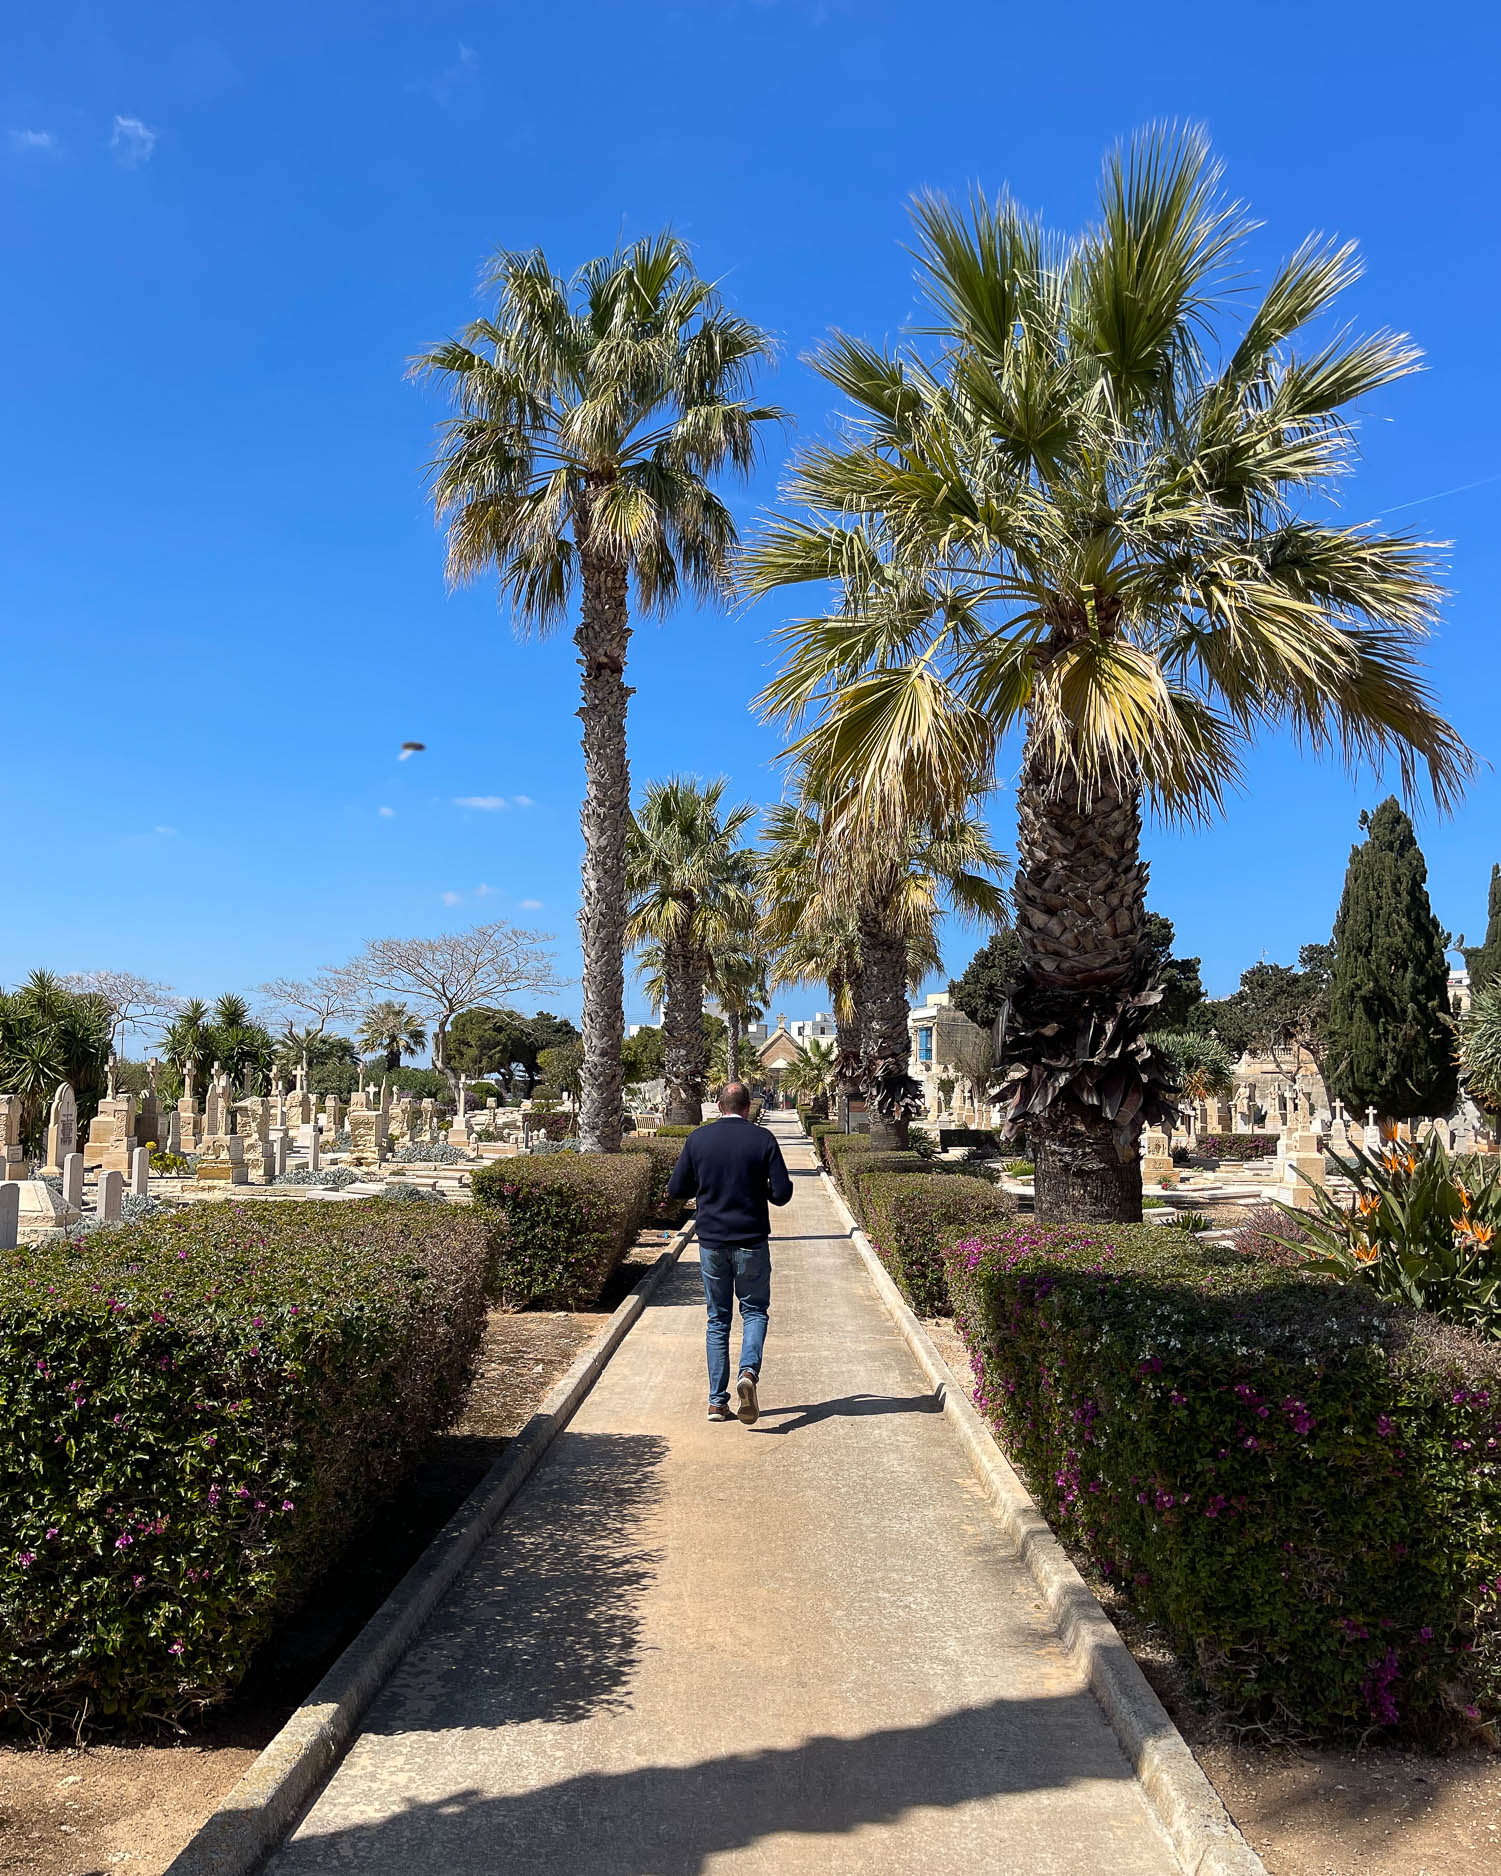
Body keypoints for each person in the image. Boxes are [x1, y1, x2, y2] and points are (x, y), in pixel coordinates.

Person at [666, 1081, 793, 1424]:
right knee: (754, 1311)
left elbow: (676, 1189)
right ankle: (748, 1374)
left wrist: (704, 1184)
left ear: (718, 1104)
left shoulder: (698, 1140)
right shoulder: (762, 1139)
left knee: (718, 1320)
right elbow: (782, 1194)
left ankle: (716, 1402)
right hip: (751, 1240)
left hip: (712, 1242)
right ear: (748, 1106)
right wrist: (760, 1187)